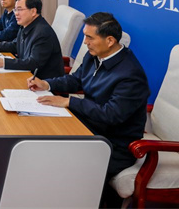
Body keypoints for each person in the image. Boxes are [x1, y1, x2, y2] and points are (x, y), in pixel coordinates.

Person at [28, 12, 149, 183]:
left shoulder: (130, 75)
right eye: (85, 36)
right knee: (41, 138)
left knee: (55, 164)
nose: (85, 42)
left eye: (89, 37)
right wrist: (47, 84)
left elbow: (111, 114)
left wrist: (69, 102)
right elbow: (76, 80)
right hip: (87, 127)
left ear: (110, 41)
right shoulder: (94, 56)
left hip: (112, 145)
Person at [0, 0, 64, 78]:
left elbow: (34, 63)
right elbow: (15, 45)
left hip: (42, 81)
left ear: (33, 11)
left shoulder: (43, 33)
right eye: (15, 10)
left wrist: (3, 62)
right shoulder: (26, 25)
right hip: (27, 75)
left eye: (20, 10)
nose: (16, 13)